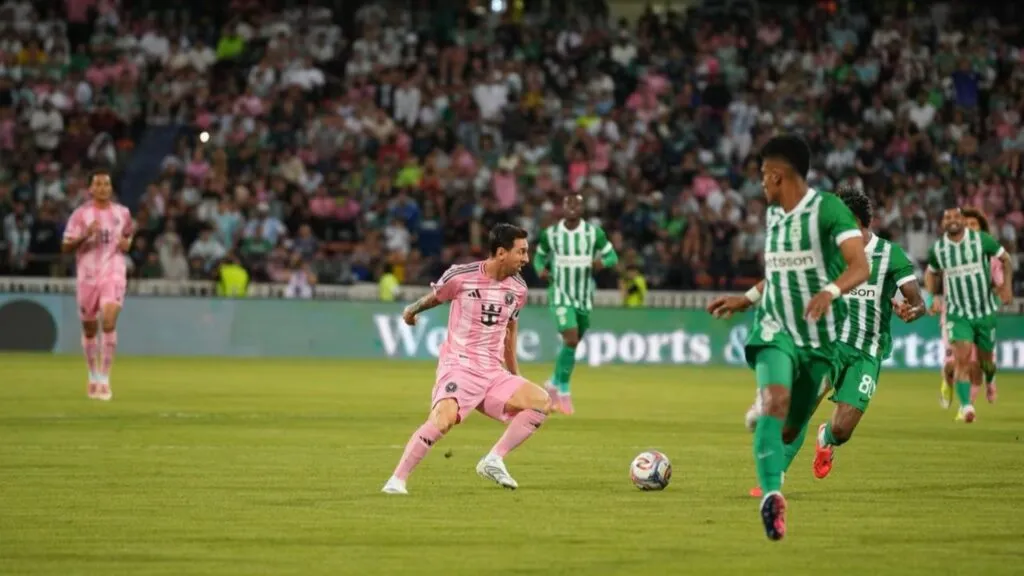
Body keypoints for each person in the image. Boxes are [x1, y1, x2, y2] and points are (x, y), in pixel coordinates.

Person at [706, 134, 870, 541]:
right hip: (774, 327)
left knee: (788, 427)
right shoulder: (775, 216)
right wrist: (745, 299)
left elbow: (860, 266)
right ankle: (772, 496)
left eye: (764, 175)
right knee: (777, 402)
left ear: (779, 175)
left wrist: (830, 292)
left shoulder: (830, 211)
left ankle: (767, 409)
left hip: (818, 337)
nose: (761, 184)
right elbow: (780, 274)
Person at [745, 185, 927, 498]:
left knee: (843, 430)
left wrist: (912, 309)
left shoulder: (889, 254)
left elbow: (917, 300)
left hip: (866, 352)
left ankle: (827, 439)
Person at [381, 223, 557, 495]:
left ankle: (493, 459)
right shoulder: (461, 276)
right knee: (443, 420)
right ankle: (397, 480)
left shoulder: (518, 289)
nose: (526, 259)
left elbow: (510, 332)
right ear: (501, 252)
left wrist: (515, 375)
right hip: (459, 366)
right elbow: (437, 297)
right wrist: (412, 310)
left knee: (540, 401)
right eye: (521, 252)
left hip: (493, 372)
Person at [533, 192, 619, 415]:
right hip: (560, 294)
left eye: (576, 204)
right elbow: (538, 257)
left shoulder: (593, 234)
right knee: (570, 338)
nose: (572, 206)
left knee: (572, 344)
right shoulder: (551, 234)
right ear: (562, 206)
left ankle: (552, 382)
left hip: (583, 297)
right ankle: (563, 390)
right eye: (568, 202)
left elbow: (613, 256)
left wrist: (601, 262)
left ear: (582, 209)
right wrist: (540, 269)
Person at [925, 207, 1014, 423]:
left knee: (985, 363)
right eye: (947, 217)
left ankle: (990, 379)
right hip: (957, 314)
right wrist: (931, 297)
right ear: (942, 223)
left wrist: (1007, 287)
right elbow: (930, 272)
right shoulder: (939, 249)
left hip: (984, 313)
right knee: (961, 359)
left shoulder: (982, 240)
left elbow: (1006, 259)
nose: (952, 221)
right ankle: (966, 407)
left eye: (956, 217)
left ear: (963, 222)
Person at [61, 169, 133, 401]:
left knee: (109, 320)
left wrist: (126, 243)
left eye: (106, 184)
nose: (103, 188)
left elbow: (128, 236)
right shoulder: (80, 215)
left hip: (113, 271)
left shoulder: (123, 213)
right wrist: (84, 236)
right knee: (90, 329)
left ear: (111, 188)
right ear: (91, 189)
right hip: (87, 276)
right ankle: (92, 374)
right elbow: (65, 247)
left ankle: (104, 378)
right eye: (98, 184)